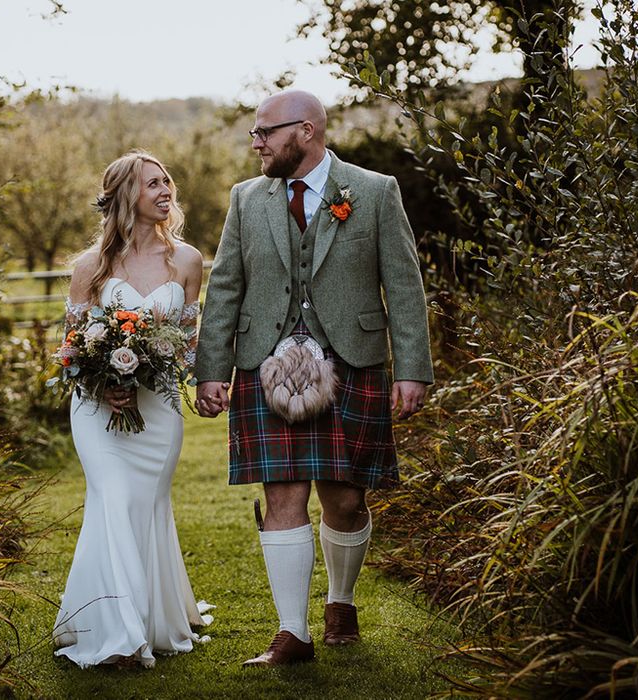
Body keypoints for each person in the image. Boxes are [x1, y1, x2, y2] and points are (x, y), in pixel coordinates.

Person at [195, 90, 433, 666]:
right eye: (255, 133)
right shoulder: (246, 199)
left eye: (264, 132)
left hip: (352, 358)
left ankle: (341, 600)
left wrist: (413, 368)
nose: (256, 143)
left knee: (346, 499)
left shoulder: (374, 192)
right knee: (282, 493)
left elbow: (402, 284)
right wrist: (210, 369)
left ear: (305, 131)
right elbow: (225, 285)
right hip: (265, 362)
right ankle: (291, 632)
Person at [53, 150, 211, 668]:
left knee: (144, 507)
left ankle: (146, 617)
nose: (166, 191)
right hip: (98, 412)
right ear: (127, 196)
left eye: (167, 182)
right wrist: (102, 386)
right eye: (153, 185)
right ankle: (118, 637)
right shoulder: (90, 266)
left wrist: (168, 372)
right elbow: (71, 348)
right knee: (113, 500)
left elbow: (188, 343)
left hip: (158, 413)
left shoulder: (187, 261)